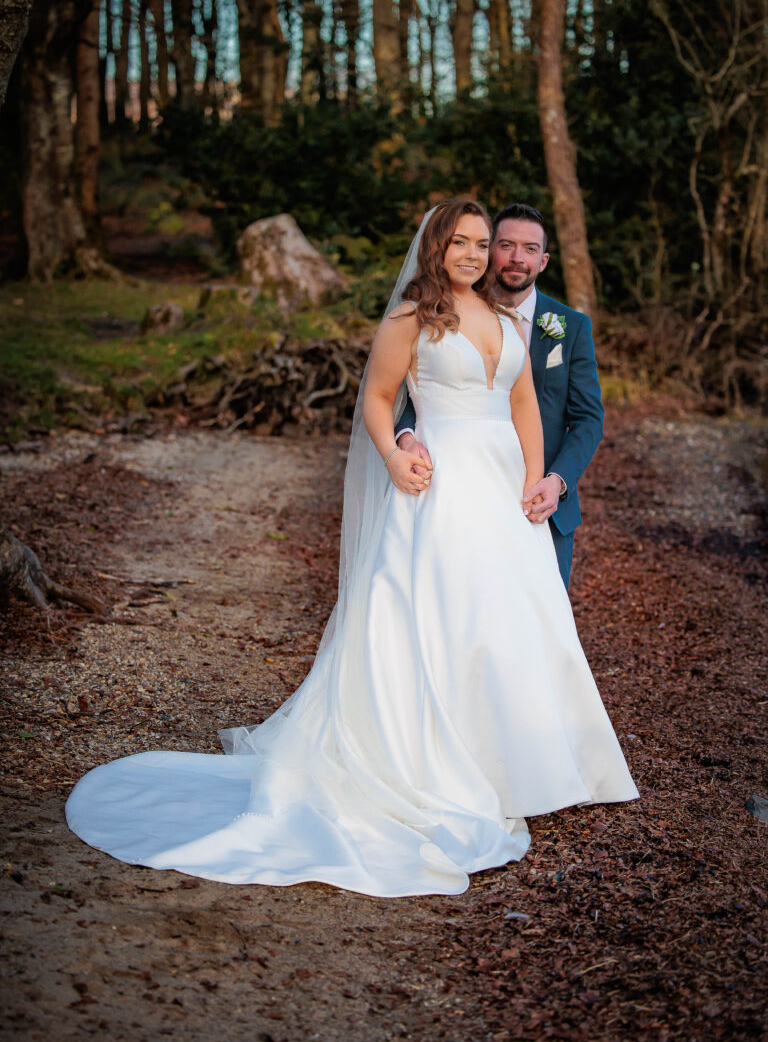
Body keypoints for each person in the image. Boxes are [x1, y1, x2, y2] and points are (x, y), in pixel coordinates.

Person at [65, 199, 637, 898]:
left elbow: (522, 403)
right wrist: (396, 454)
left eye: (481, 242)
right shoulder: (412, 317)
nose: (474, 254)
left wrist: (532, 481)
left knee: (511, 621)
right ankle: (432, 763)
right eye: (460, 242)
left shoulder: (502, 317)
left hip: (504, 492)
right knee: (438, 616)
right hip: (441, 486)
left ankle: (526, 765)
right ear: (436, 246)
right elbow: (378, 397)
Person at [395, 203, 603, 588]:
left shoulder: (571, 327)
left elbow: (588, 419)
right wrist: (406, 439)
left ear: (543, 261)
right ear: (489, 250)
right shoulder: (438, 312)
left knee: (535, 610)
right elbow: (415, 390)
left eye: (530, 249)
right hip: (453, 488)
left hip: (539, 501)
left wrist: (556, 480)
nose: (517, 258)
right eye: (506, 245)